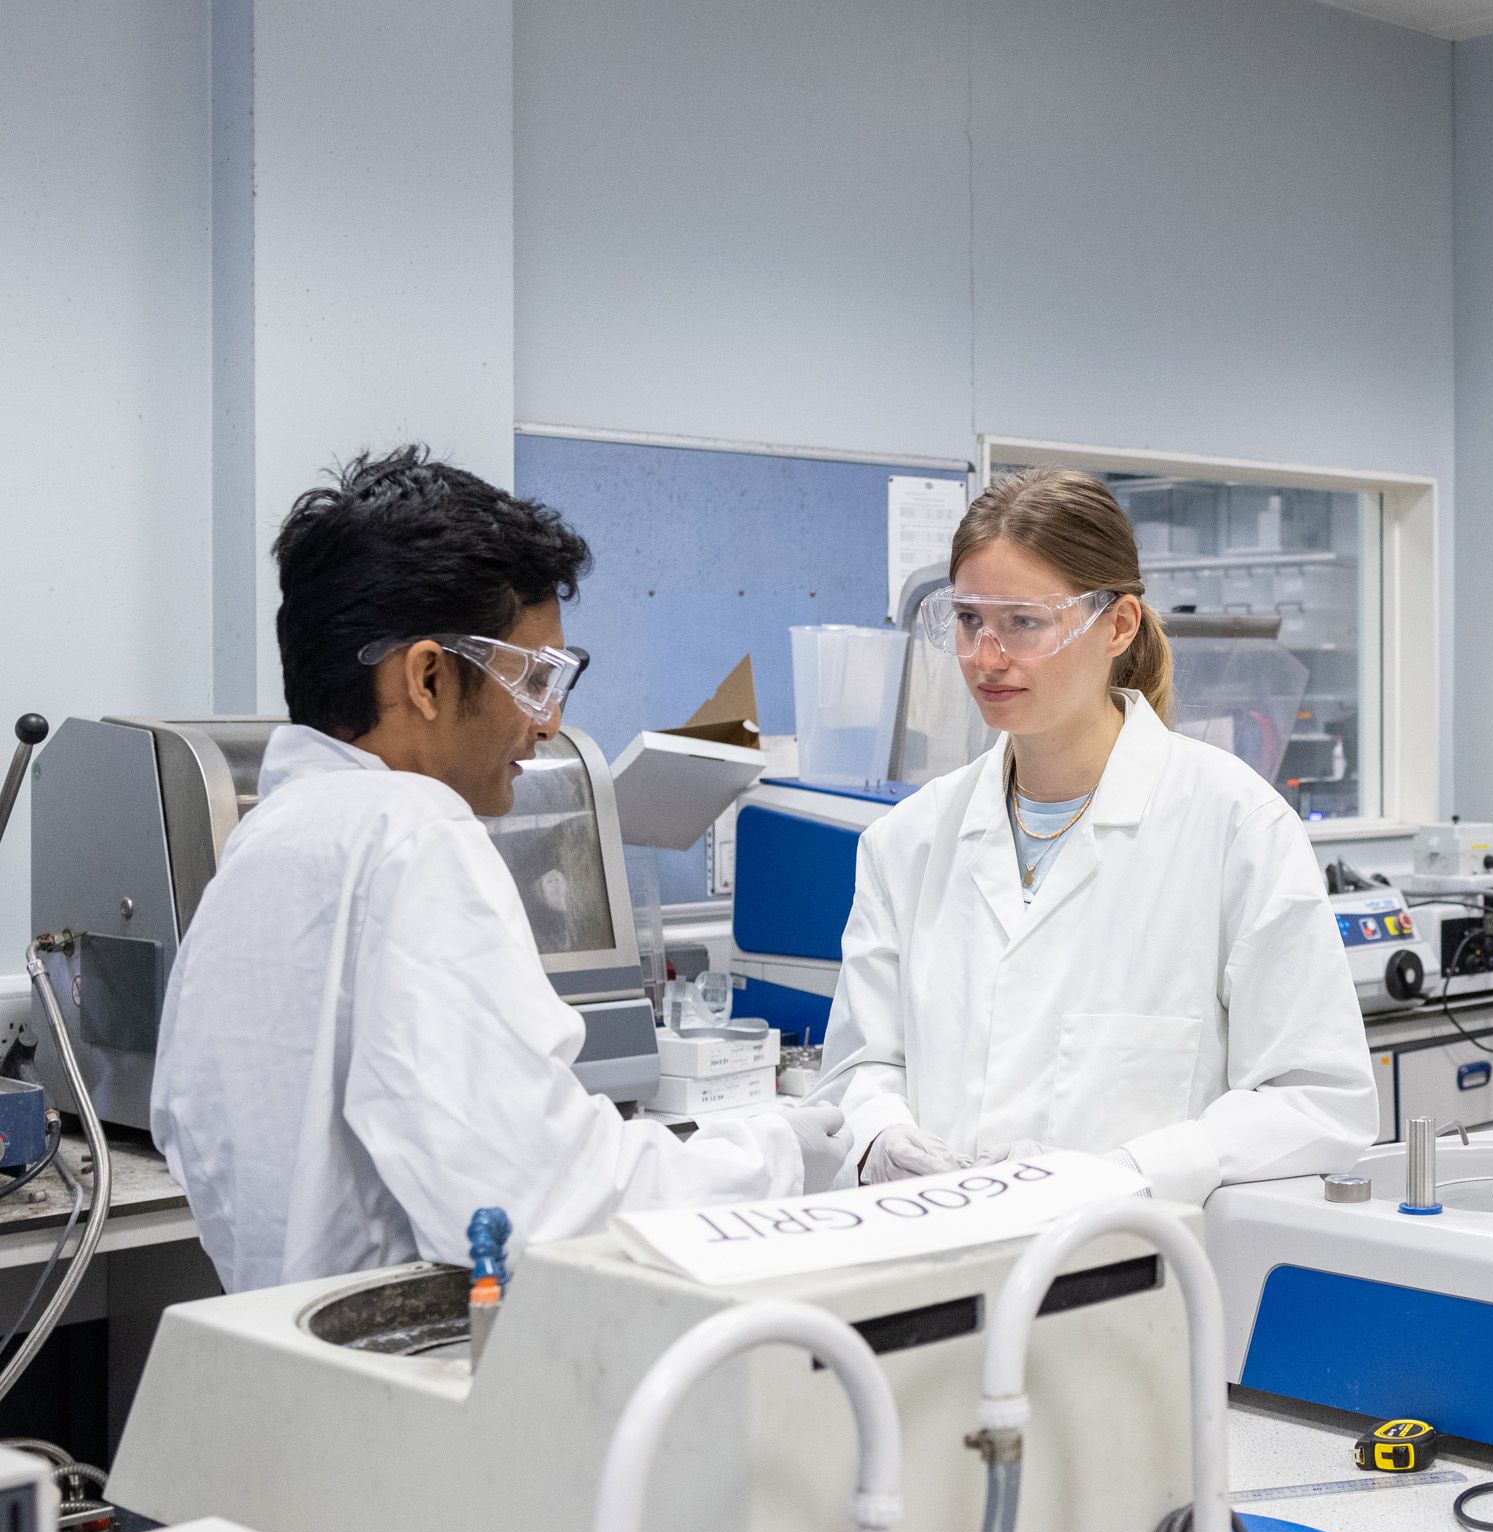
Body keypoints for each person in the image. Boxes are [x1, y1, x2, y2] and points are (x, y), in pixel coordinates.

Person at [151, 448, 848, 1291]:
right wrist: (788, 1157)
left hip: (299, 1345)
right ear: (430, 677)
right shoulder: (412, 835)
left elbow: (194, 1134)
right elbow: (532, 1206)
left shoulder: (270, 840)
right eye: (532, 678)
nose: (549, 723)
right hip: (422, 1368)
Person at [816, 467, 1376, 1200]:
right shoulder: (907, 843)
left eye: (1023, 622)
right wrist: (879, 1135)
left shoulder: (1235, 826)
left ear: (1117, 625)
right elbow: (859, 1067)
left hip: (1138, 1272)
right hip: (936, 1263)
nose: (986, 657)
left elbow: (1317, 1097)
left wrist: (1129, 1175)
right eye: (968, 620)